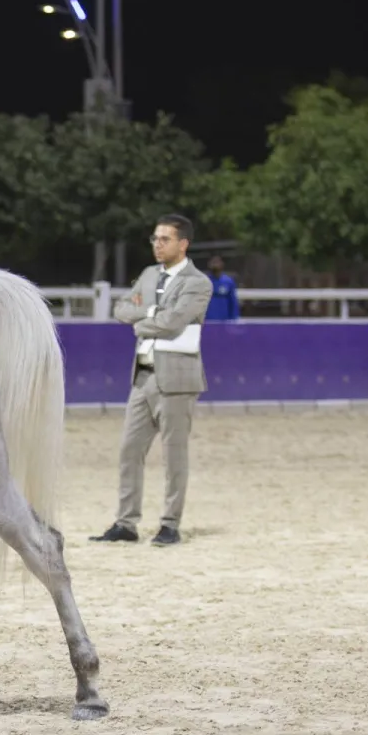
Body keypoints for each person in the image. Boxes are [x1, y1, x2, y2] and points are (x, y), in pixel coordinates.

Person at [90, 214, 212, 548]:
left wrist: (143, 320)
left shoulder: (197, 282)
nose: (157, 244)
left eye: (164, 239)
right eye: (155, 239)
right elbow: (121, 308)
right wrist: (149, 315)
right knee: (129, 450)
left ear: (182, 243)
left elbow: (173, 323)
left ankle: (170, 524)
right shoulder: (147, 275)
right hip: (142, 376)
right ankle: (126, 522)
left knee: (175, 456)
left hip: (176, 379)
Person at [204, 256, 240, 321]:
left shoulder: (228, 282)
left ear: (222, 264)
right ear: (209, 264)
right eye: (213, 262)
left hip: (224, 320)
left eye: (217, 262)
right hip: (207, 321)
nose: (215, 265)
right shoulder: (204, 282)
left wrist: (234, 318)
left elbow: (233, 302)